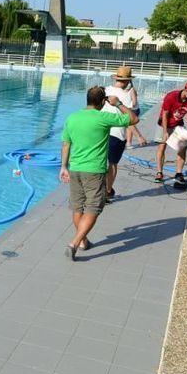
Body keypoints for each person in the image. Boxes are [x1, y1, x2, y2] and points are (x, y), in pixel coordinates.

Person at [60, 86, 138, 261]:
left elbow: (66, 145)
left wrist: (63, 167)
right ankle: (74, 243)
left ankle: (83, 241)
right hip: (94, 171)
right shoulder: (103, 117)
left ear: (87, 99)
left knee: (78, 207)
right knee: (94, 208)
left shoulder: (72, 117)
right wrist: (118, 104)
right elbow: (134, 119)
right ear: (103, 102)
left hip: (75, 169)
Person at [154, 81, 187, 186]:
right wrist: (165, 131)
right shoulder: (171, 97)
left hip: (178, 124)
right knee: (162, 147)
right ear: (186, 90)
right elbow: (165, 114)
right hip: (164, 124)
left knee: (183, 148)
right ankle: (159, 172)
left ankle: (178, 173)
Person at [102, 66, 136, 202]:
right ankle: (108, 191)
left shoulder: (104, 90)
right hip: (117, 134)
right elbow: (130, 117)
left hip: (102, 131)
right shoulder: (126, 96)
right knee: (113, 164)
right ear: (128, 81)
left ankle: (99, 189)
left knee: (101, 162)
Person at [125, 80, 148, 148]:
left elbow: (134, 103)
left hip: (133, 110)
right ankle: (129, 143)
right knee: (129, 127)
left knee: (129, 126)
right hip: (129, 109)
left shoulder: (132, 90)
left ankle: (131, 142)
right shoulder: (123, 90)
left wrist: (124, 107)